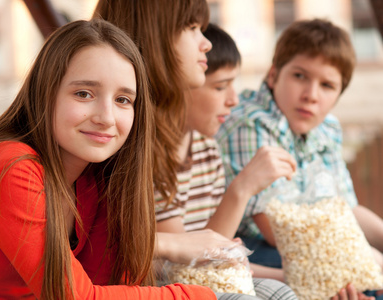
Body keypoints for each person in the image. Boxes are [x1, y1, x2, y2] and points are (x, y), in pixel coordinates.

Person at [0, 18, 217, 299]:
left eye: (123, 100)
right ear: (46, 93)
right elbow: (75, 296)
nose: (106, 118)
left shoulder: (95, 177)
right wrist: (197, 296)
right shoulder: (7, 166)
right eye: (83, 94)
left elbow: (114, 285)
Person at [94, 2, 297, 299]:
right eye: (191, 29)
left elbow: (208, 250)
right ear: (156, 41)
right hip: (154, 284)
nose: (206, 43)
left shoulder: (204, 148)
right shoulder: (139, 145)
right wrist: (241, 190)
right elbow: (186, 259)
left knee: (280, 290)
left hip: (188, 276)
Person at [215, 18, 382, 300]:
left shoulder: (327, 128)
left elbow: (344, 208)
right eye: (300, 76)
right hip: (254, 248)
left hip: (317, 243)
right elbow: (276, 231)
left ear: (339, 94)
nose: (311, 95)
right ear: (273, 75)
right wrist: (365, 259)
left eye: (327, 85)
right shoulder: (250, 123)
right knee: (365, 281)